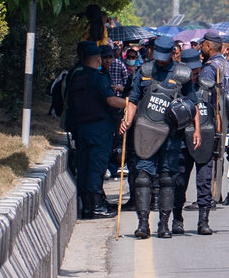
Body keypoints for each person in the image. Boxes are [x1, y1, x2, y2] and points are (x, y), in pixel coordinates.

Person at [119, 37, 200, 239]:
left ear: (173, 53)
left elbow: (193, 105)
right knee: (143, 178)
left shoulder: (182, 74)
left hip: (172, 136)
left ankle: (164, 224)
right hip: (146, 132)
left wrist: (197, 130)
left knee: (167, 179)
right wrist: (127, 120)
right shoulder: (144, 72)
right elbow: (133, 100)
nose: (161, 61)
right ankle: (143, 224)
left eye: (165, 57)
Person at [67, 41, 127, 219]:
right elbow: (110, 100)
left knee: (85, 167)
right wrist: (130, 104)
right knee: (96, 168)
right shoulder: (98, 78)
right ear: (98, 60)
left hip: (82, 128)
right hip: (99, 130)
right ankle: (96, 206)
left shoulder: (76, 77)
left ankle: (88, 205)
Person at [200, 31, 229, 206]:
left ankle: (219, 194)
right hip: (228, 116)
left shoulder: (214, 67)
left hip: (219, 118)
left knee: (221, 153)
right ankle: (218, 193)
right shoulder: (226, 66)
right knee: (224, 153)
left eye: (203, 44)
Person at [173, 48, 215, 235]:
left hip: (204, 139)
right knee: (179, 182)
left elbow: (218, 112)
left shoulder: (209, 87)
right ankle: (177, 219)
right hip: (182, 140)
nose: (194, 74)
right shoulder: (174, 88)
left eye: (197, 70)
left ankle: (203, 221)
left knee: (204, 181)